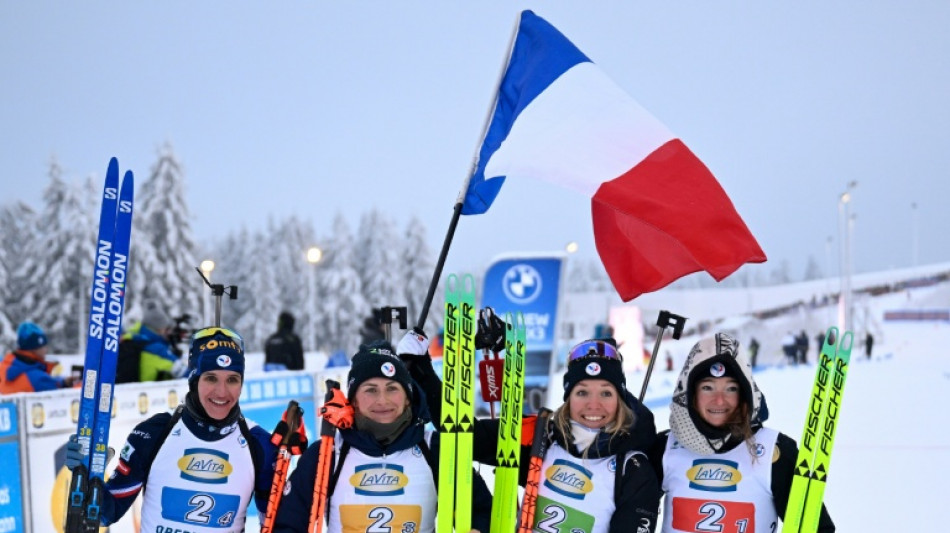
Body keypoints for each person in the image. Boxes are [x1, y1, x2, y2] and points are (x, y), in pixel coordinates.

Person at [404, 331, 662, 533]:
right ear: (568, 397)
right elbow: (465, 436)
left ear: (621, 399)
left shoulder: (633, 469)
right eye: (582, 392)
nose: (593, 404)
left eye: (606, 393)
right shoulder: (542, 436)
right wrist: (422, 371)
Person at [66, 327, 277, 531]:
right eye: (211, 378)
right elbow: (106, 514)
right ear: (194, 380)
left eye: (232, 380)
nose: (222, 392)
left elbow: (277, 525)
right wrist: (87, 476)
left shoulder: (259, 445)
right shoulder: (154, 433)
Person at [272, 339, 494, 533]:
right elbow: (289, 523)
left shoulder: (436, 450)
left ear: (408, 397)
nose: (383, 400)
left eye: (392, 388)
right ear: (354, 400)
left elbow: (483, 511)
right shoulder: (327, 454)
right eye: (370, 390)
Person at [648, 332, 835, 532]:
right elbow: (629, 511)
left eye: (731, 389)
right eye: (708, 387)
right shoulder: (664, 449)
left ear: (745, 393)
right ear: (690, 393)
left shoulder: (775, 453)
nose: (719, 400)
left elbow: (817, 527)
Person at [115, 299, 181, 383]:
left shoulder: (131, 339)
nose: (168, 332)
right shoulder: (155, 349)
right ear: (159, 329)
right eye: (166, 328)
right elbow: (185, 372)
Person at [1, 321, 76, 393]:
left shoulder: (6, 367)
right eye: (43, 346)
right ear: (34, 348)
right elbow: (70, 395)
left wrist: (62, 382)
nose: (46, 349)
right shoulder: (36, 379)